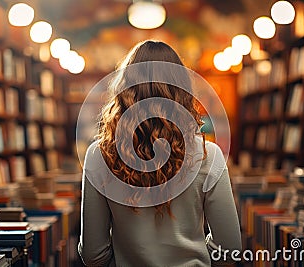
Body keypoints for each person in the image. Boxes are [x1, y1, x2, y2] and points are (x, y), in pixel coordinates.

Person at [78, 40, 242, 266]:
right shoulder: (207, 154)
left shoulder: (99, 154)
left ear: (124, 90)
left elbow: (93, 256)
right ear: (182, 91)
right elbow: (230, 249)